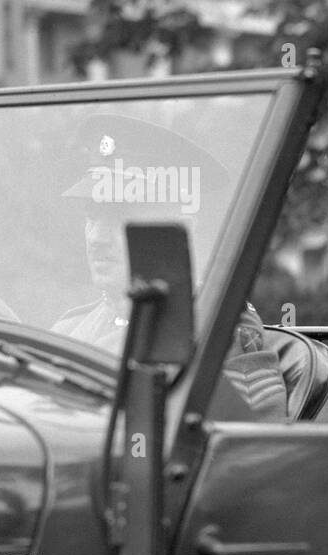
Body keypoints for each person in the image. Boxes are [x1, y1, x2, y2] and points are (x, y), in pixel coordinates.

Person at [54, 115, 288, 420]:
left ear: (177, 221)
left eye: (118, 214)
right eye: (92, 215)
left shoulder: (217, 329)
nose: (97, 237)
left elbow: (247, 453)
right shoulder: (70, 329)